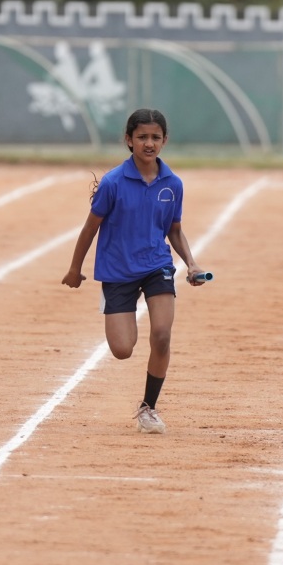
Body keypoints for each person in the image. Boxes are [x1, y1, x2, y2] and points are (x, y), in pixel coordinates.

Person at [61, 108, 208, 434]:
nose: (149, 143)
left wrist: (191, 263)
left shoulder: (173, 184)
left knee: (162, 335)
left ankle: (148, 408)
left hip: (157, 265)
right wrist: (74, 269)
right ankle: (120, 313)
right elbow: (89, 229)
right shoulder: (113, 183)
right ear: (129, 140)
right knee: (122, 349)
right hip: (117, 270)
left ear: (165, 140)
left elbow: (174, 230)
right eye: (142, 137)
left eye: (155, 137)